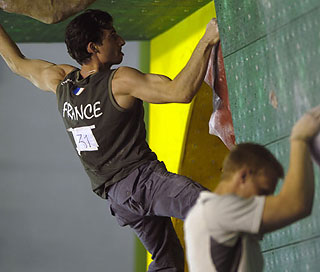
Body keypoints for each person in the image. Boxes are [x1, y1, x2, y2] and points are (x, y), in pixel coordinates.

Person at [0, 9, 220, 272]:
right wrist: (207, 39)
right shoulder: (119, 81)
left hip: (119, 200)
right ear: (93, 47)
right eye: (112, 36)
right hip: (142, 183)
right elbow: (180, 92)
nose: (121, 41)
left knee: (167, 262)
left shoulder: (61, 83)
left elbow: (15, 62)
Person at [184, 105, 320, 272]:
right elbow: (296, 204)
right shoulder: (215, 211)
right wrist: (299, 138)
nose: (263, 201)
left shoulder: (209, 217)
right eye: (262, 192)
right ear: (243, 176)